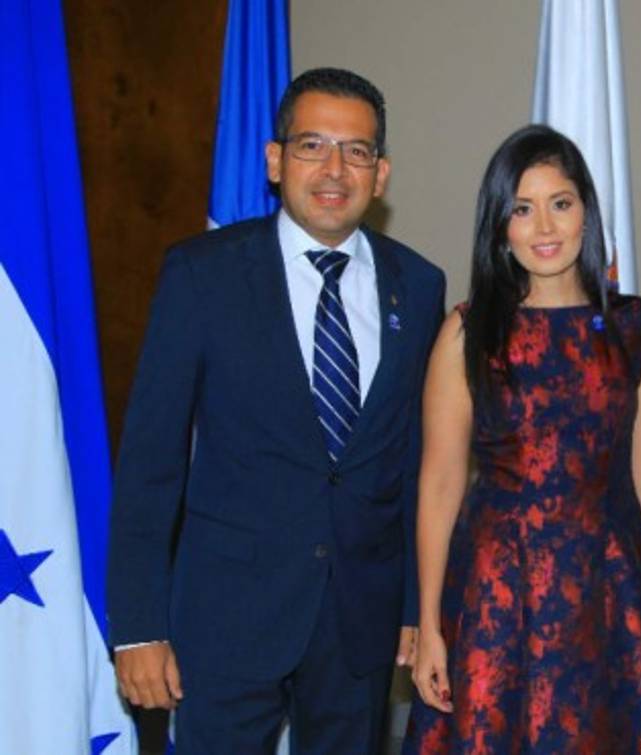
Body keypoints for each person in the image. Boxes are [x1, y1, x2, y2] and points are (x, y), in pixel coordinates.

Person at [107, 67, 444, 753]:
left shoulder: (420, 283)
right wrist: (139, 626)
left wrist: (413, 604)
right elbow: (151, 462)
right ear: (274, 159)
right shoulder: (202, 274)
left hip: (359, 623)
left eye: (356, 151)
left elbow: (411, 461)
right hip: (226, 619)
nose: (334, 168)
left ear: (380, 173)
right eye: (312, 144)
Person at [405, 125, 641, 753]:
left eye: (560, 203)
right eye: (521, 208)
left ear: (586, 215)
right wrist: (431, 624)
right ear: (499, 227)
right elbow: (438, 484)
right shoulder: (467, 334)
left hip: (612, 591)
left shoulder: (631, 328)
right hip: (497, 593)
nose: (544, 226)